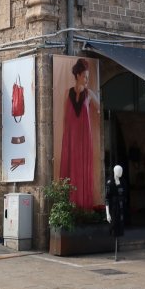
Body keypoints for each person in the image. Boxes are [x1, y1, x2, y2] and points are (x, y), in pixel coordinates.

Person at [59, 58, 99, 209]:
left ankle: (83, 206)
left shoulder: (89, 94)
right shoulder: (66, 93)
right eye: (85, 76)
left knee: (82, 171)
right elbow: (64, 118)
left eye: (88, 77)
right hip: (70, 140)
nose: (87, 80)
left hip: (83, 141)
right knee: (70, 171)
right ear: (77, 76)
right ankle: (70, 204)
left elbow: (100, 108)